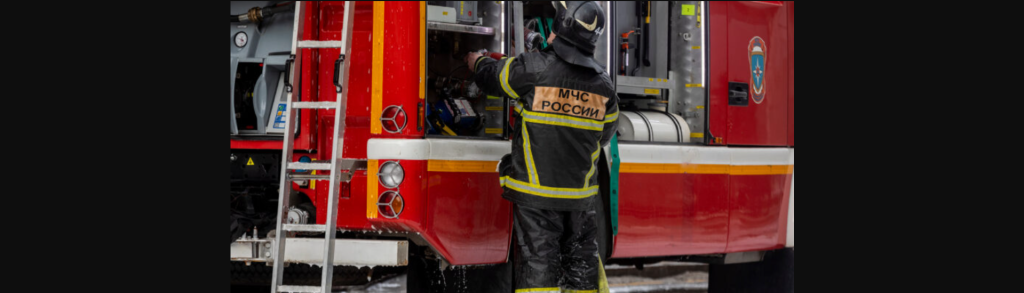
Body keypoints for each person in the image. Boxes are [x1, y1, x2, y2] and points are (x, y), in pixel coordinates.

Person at [465, 2, 617, 292]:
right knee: (580, 269)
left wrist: (477, 61)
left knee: (539, 268)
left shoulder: (535, 68)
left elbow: (496, 77)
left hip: (537, 198)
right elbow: (605, 134)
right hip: (580, 200)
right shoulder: (604, 86)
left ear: (560, 29)